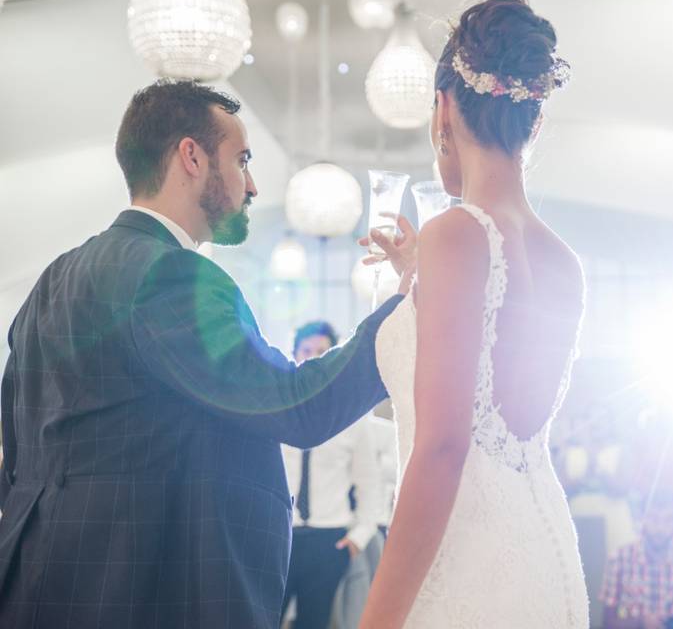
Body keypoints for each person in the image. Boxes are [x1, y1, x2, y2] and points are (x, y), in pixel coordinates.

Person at [0, 80, 414, 629]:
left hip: (38, 586)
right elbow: (298, 404)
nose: (252, 184)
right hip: (145, 592)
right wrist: (408, 308)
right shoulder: (171, 274)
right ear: (191, 157)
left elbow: (20, 448)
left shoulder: (52, 280)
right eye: (241, 159)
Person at [358, 0, 589, 628]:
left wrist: (375, 619)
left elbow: (443, 449)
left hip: (472, 565)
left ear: (442, 110)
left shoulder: (455, 234)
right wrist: (420, 277)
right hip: (546, 559)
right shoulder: (566, 264)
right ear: (534, 123)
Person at [280, 321, 382, 628]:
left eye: (322, 352)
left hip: (330, 540)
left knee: (315, 622)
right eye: (306, 351)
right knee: (262, 618)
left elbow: (368, 481)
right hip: (281, 536)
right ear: (294, 355)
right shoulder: (277, 411)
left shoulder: (353, 416)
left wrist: (358, 537)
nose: (312, 358)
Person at [599, 491, 673, 629]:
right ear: (642, 519)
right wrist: (640, 623)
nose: (660, 527)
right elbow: (607, 622)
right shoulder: (618, 559)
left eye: (668, 519)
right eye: (653, 518)